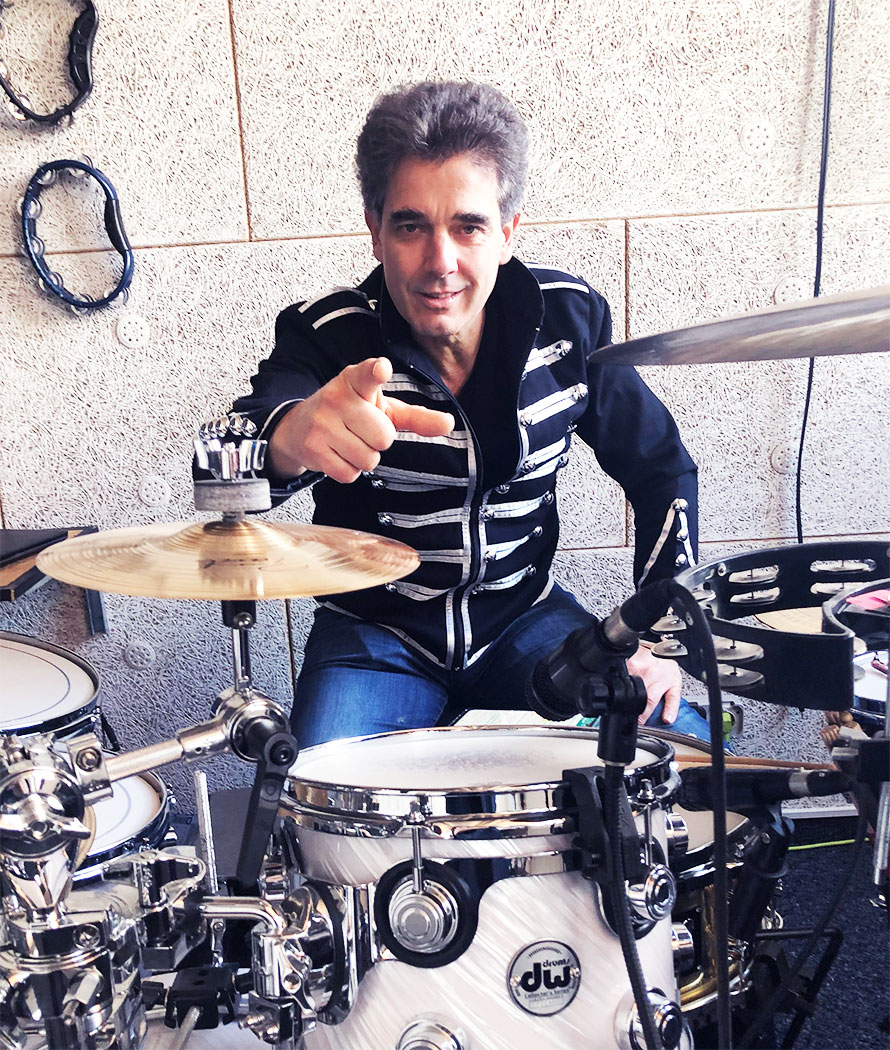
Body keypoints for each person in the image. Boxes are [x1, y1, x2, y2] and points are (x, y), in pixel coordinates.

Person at [227, 80, 709, 747]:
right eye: (410, 226)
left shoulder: (569, 319)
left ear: (506, 233)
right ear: (375, 233)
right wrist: (285, 439)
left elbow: (660, 468)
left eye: (468, 226)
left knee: (682, 752)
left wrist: (658, 634)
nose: (441, 263)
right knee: (322, 792)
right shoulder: (325, 335)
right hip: (372, 633)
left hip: (526, 618)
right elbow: (226, 455)